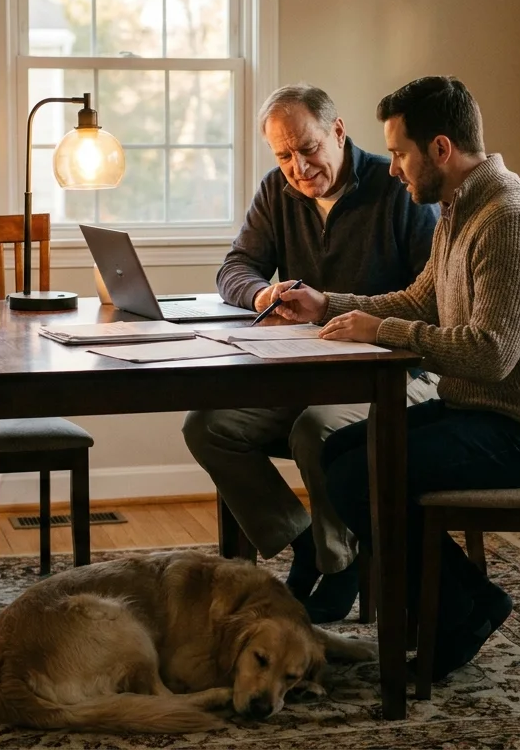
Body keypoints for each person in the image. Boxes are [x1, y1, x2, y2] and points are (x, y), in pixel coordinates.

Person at [273, 76, 520, 679]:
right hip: (489, 411)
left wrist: (381, 332)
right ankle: (460, 604)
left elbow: (490, 355)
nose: (393, 170)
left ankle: (458, 613)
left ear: (442, 149)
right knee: (339, 449)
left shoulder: (512, 218)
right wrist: (330, 305)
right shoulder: (460, 207)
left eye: (399, 153)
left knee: (359, 469)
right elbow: (422, 299)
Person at [181, 83, 440, 623]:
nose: (298, 167)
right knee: (208, 425)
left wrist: (333, 311)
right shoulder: (277, 192)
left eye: (308, 148)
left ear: (338, 132)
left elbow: (432, 301)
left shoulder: (397, 190)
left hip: (396, 376)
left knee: (316, 429)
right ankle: (302, 542)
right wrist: (263, 293)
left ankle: (340, 562)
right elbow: (234, 268)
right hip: (302, 372)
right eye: (283, 155)